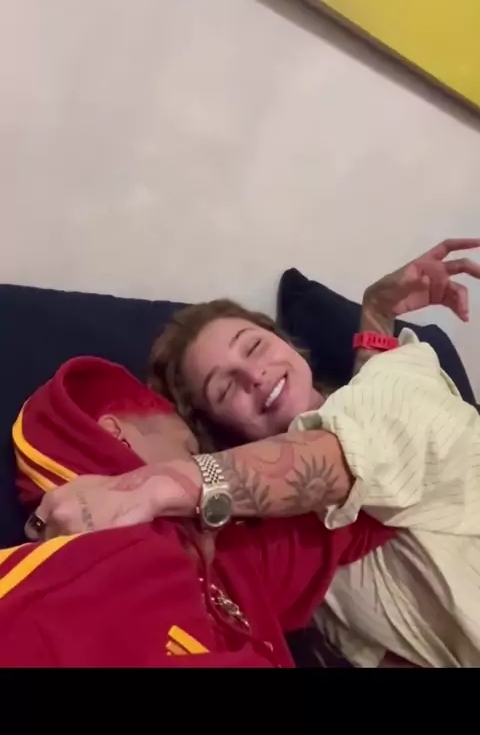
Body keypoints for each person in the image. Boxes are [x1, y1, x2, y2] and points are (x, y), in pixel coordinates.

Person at [32, 238, 480, 668]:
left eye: (254, 346)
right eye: (225, 388)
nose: (255, 375)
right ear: (224, 431)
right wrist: (375, 315)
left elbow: (338, 454)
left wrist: (146, 489)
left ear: (284, 341)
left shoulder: (401, 378)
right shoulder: (298, 548)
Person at [1, 355, 394, 667]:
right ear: (115, 432)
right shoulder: (48, 584)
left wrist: (374, 334)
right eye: (191, 449)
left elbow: (373, 478)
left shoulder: (232, 555)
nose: (206, 461)